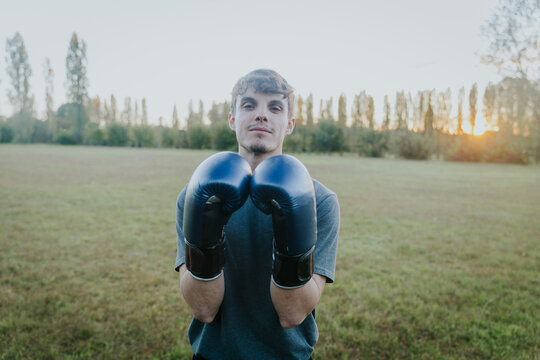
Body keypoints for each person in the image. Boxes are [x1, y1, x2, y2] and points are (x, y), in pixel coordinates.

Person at [174, 69, 340, 360]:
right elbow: (203, 310)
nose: (261, 114)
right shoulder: (196, 194)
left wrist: (291, 245)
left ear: (289, 124)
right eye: (249, 105)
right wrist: (206, 236)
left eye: (275, 107)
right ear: (232, 119)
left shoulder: (319, 201)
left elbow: (292, 314)